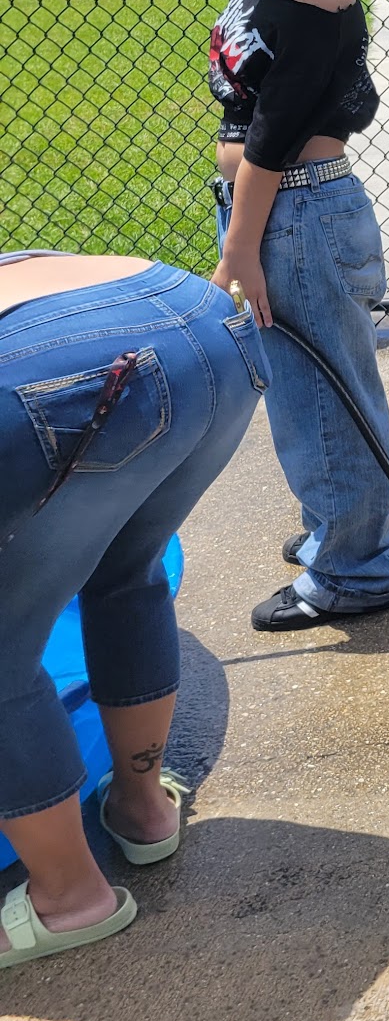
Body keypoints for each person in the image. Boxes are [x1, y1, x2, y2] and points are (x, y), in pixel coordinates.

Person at [0, 252, 264, 968]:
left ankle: (69, 899)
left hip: (58, 378)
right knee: (126, 574)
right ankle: (144, 809)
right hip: (210, 328)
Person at [194, 0, 389, 631]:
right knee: (308, 392)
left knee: (321, 400)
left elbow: (273, 142)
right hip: (277, 211)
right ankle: (347, 532)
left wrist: (239, 249)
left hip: (297, 214)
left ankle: (355, 571)